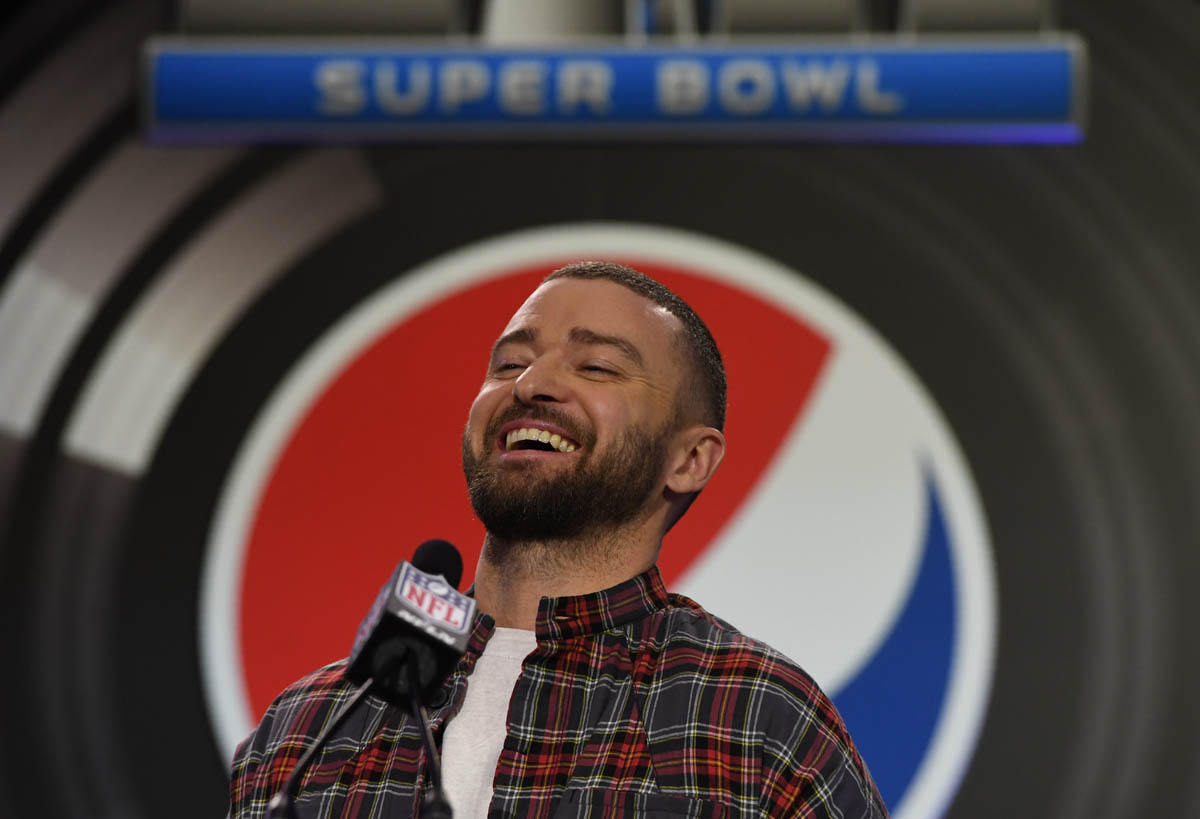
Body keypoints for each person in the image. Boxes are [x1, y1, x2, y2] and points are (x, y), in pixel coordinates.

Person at [228, 261, 888, 819]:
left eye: (597, 366)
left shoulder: (755, 717)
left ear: (689, 460)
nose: (531, 384)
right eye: (509, 363)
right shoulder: (307, 728)